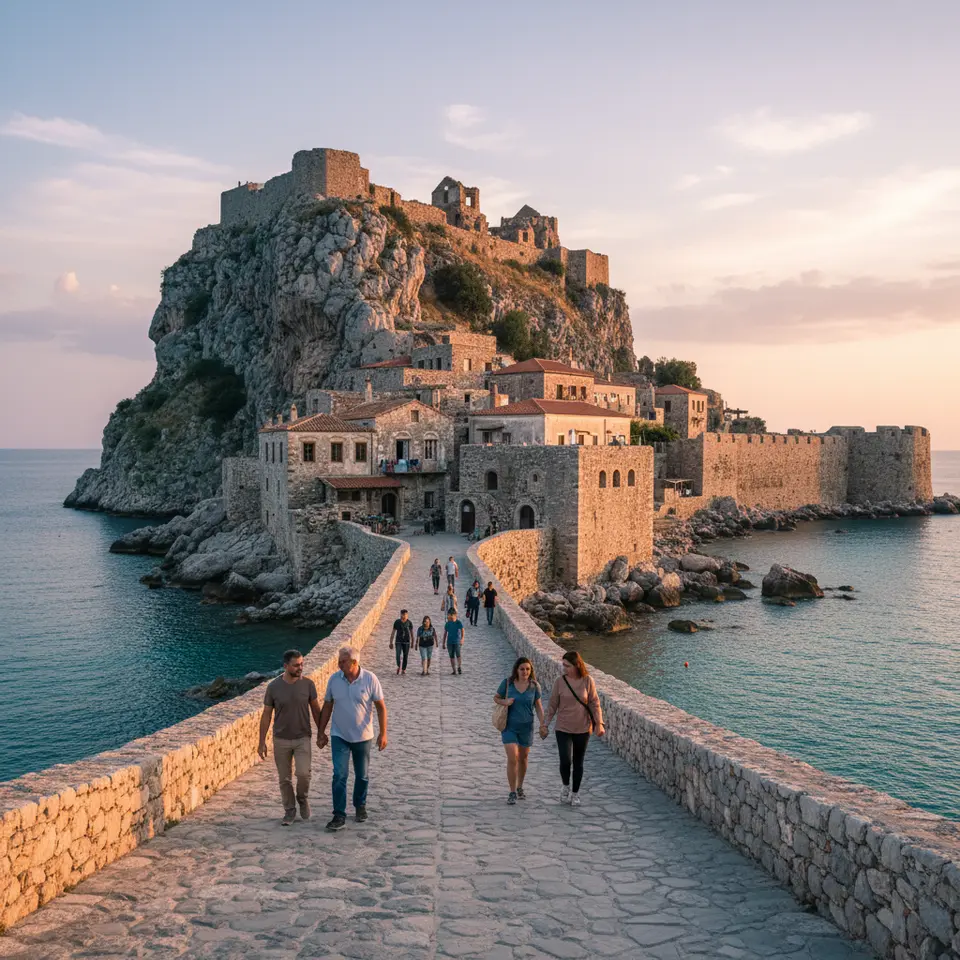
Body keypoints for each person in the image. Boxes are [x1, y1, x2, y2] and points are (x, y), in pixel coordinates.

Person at [317, 646, 387, 831]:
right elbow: (327, 706)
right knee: (339, 775)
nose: (339, 664)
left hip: (363, 736)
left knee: (362, 775)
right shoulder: (334, 680)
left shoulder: (370, 679)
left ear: (354, 662)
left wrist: (383, 733)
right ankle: (339, 815)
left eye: (343, 661)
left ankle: (360, 805)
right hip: (339, 735)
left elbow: (380, 707)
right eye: (339, 661)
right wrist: (321, 732)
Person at [258, 649, 321, 826]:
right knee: (284, 779)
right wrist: (261, 742)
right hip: (281, 739)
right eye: (296, 665)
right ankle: (289, 810)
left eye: (302, 664)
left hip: (303, 737)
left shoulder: (308, 684)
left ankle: (302, 798)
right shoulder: (273, 687)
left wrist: (322, 732)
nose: (300, 668)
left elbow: (316, 710)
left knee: (303, 774)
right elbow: (266, 715)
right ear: (285, 666)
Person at [542, 651, 604, 807]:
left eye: (567, 666)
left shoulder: (587, 681)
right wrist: (545, 724)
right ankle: (565, 786)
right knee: (565, 760)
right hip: (563, 727)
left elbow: (594, 703)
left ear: (577, 665)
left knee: (578, 762)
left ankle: (575, 793)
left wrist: (599, 723)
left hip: (583, 728)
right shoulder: (560, 682)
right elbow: (553, 705)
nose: (564, 668)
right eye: (563, 665)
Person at [493, 657, 545, 804]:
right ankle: (512, 791)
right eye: (522, 669)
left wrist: (543, 724)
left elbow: (539, 707)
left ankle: (520, 786)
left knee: (523, 758)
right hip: (509, 727)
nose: (525, 672)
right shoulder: (508, 683)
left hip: (526, 727)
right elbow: (496, 698)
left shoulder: (534, 686)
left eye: (528, 669)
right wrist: (505, 701)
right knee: (512, 757)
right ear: (517, 669)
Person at [389, 609, 414, 675]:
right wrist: (390, 642)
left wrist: (413, 642)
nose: (404, 616)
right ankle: (398, 666)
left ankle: (403, 669)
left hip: (406, 642)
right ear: (400, 614)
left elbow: (411, 633)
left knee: (405, 656)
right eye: (403, 614)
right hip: (398, 641)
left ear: (407, 615)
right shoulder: (397, 622)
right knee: (398, 654)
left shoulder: (409, 623)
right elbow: (393, 632)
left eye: (405, 615)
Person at [443, 609, 465, 675]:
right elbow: (445, 633)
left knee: (458, 655)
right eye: (448, 615)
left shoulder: (458, 622)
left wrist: (462, 639)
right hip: (449, 642)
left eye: (449, 615)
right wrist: (443, 643)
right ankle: (454, 670)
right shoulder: (447, 623)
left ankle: (459, 666)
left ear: (454, 615)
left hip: (457, 642)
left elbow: (462, 631)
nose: (448, 616)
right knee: (451, 656)